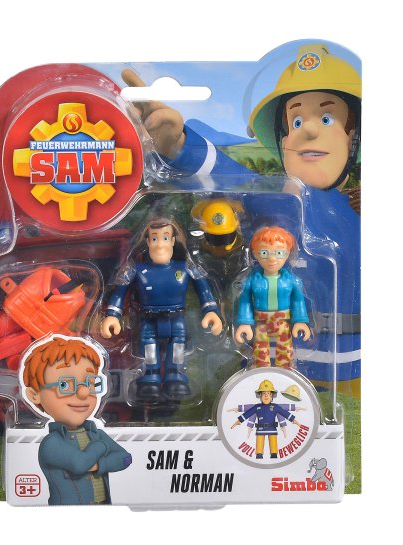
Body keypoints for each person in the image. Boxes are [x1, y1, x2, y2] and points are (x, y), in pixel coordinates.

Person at [121, 43, 361, 394]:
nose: (308, 131)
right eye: (296, 122)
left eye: (327, 119)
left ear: (354, 137)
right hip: (292, 357)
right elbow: (226, 175)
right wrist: (179, 147)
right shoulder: (281, 202)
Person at [101, 218, 223, 402]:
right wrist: (112, 315)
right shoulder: (135, 269)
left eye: (165, 238)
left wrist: (211, 311)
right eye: (154, 238)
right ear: (148, 242)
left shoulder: (186, 267)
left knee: (177, 347)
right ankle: (150, 378)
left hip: (176, 319)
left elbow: (203, 289)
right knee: (149, 348)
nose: (160, 245)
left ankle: (175, 376)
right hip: (148, 319)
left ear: (173, 241)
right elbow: (120, 291)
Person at [22, 335, 132, 505]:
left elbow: (126, 459)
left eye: (90, 383)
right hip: (67, 513)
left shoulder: (95, 433)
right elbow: (79, 464)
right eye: (64, 384)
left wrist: (98, 465)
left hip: (103, 509)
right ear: (34, 395)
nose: (83, 392)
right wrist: (103, 446)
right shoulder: (51, 443)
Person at [234, 226, 310, 368]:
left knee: (285, 351)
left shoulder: (291, 280)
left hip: (282, 321)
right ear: (255, 254)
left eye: (279, 253)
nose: (272, 258)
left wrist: (300, 321)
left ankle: (285, 372)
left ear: (287, 254)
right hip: (261, 321)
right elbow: (245, 301)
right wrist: (245, 322)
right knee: (260, 352)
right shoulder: (252, 280)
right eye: (264, 253)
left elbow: (298, 301)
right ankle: (261, 372)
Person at [231, 379, 301, 459]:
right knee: (259, 445)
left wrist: (294, 420)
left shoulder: (275, 407)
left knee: (273, 446)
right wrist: (238, 421)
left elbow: (285, 413)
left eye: (268, 394)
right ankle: (259, 454)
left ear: (272, 396)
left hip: (272, 429)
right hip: (260, 429)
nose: (266, 396)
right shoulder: (257, 407)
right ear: (260, 396)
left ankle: (274, 454)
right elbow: (247, 414)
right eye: (264, 394)